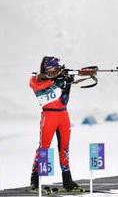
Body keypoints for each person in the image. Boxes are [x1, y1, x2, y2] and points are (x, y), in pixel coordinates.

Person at [29, 56, 80, 191]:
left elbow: (64, 100)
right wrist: (56, 80)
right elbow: (37, 85)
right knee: (43, 148)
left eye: (58, 69)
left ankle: (67, 180)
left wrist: (67, 83)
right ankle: (35, 179)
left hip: (63, 115)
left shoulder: (58, 79)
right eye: (54, 68)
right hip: (48, 115)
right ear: (47, 69)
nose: (57, 71)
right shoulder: (36, 79)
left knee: (64, 149)